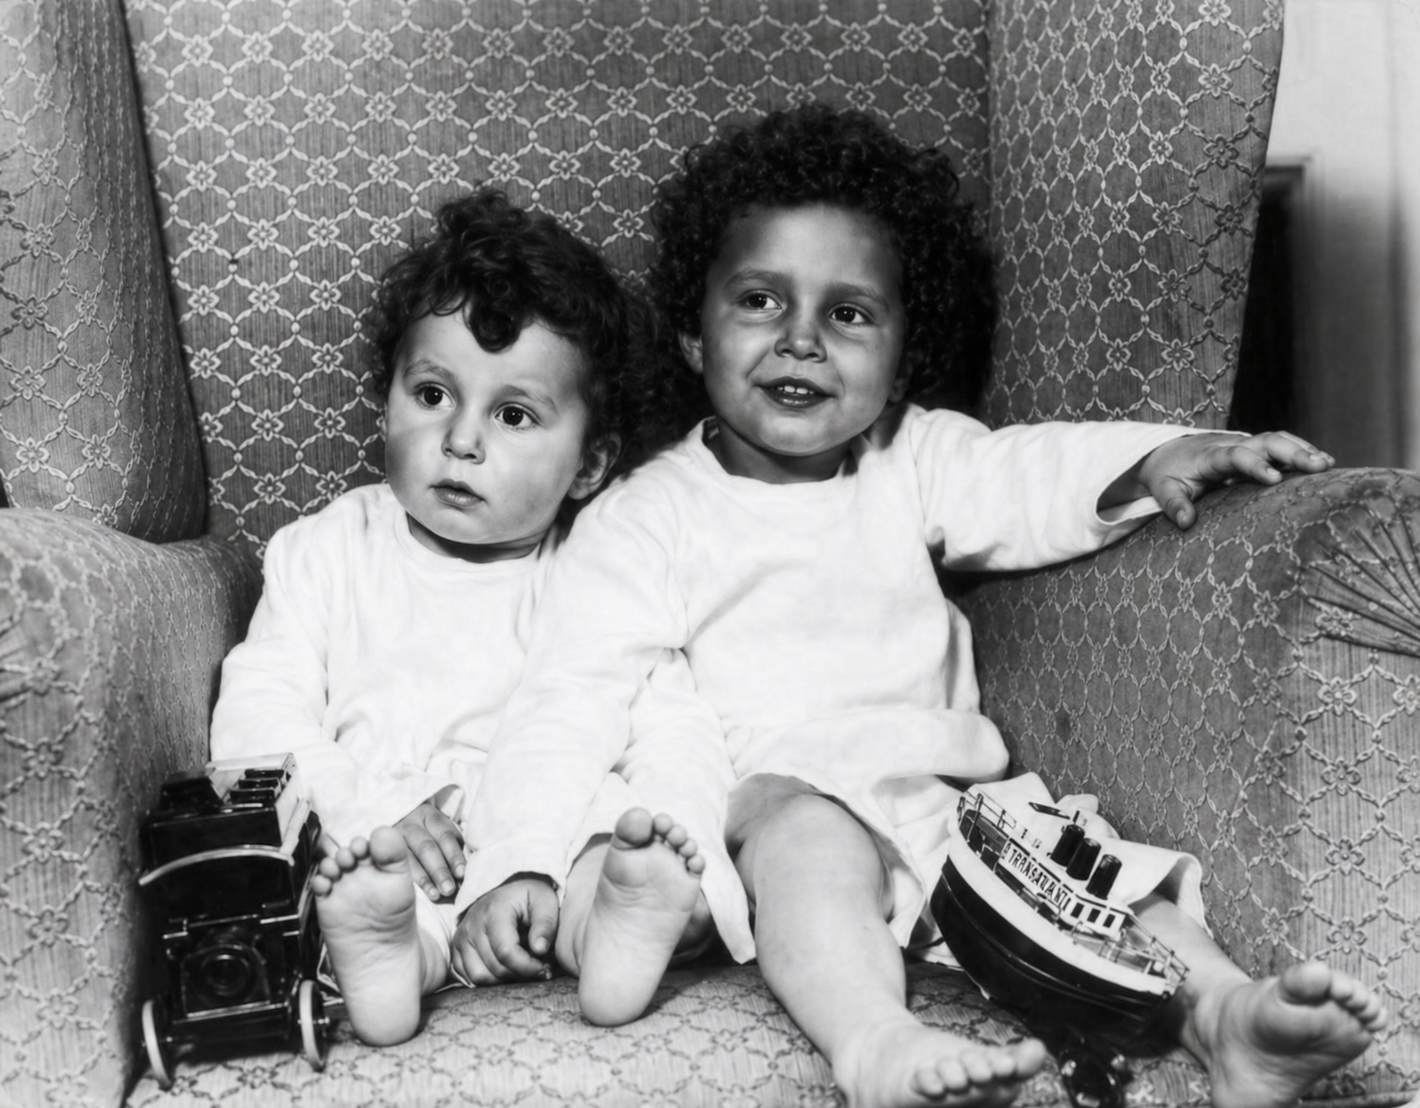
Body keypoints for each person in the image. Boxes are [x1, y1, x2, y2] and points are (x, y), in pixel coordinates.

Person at [456, 105, 1388, 1108]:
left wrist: (1154, 455)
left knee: (1089, 875)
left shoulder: (912, 455)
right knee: (808, 843)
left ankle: (1223, 1019)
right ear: (692, 328)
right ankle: (874, 1044)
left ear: (900, 359)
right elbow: (568, 697)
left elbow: (1023, 475)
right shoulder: (647, 517)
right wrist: (519, 863)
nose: (801, 341)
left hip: (948, 806)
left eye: (848, 314)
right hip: (783, 804)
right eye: (760, 301)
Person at [207, 187, 743, 1046]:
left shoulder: (600, 570)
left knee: (611, 841)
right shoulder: (327, 551)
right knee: (365, 893)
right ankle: (388, 961)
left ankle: (613, 931)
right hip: (385, 822)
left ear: (589, 464)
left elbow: (671, 722)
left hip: (548, 832)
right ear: (385, 399)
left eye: (514, 414)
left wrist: (682, 847)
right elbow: (260, 714)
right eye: (431, 395)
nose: (461, 440)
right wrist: (361, 820)